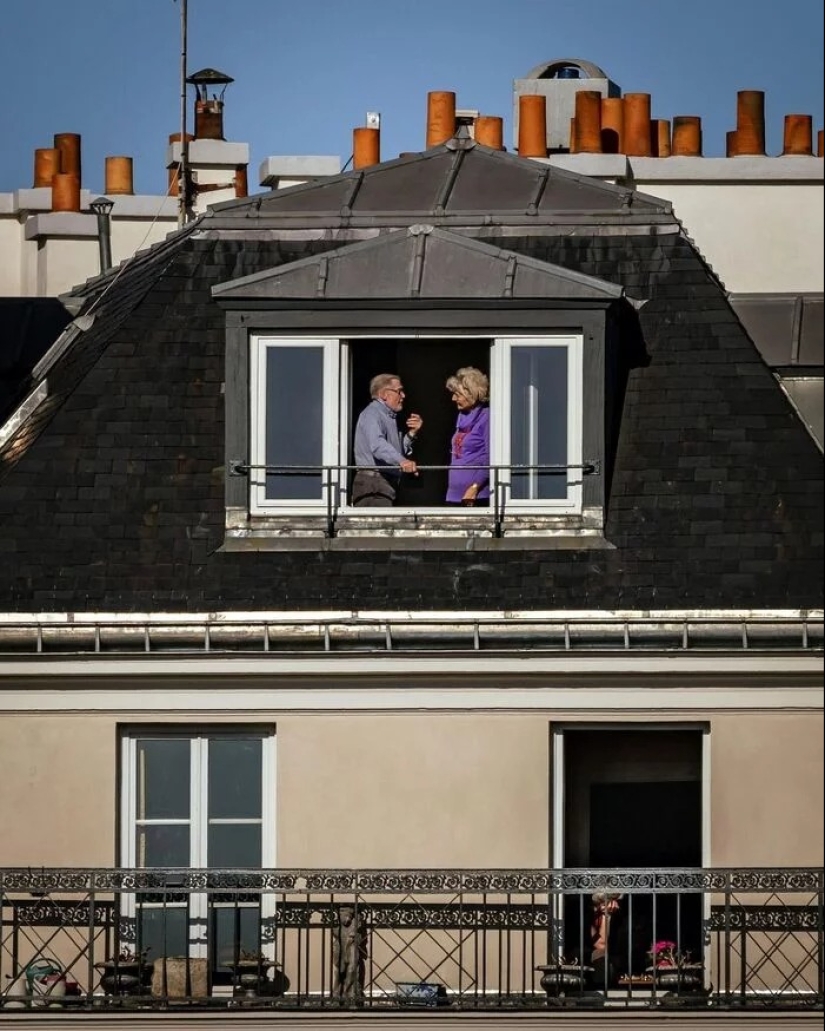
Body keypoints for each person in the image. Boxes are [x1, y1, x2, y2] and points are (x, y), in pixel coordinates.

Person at [352, 374, 423, 507]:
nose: (403, 396)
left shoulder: (388, 416)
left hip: (383, 484)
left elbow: (396, 450)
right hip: (374, 485)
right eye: (399, 391)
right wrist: (403, 461)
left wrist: (412, 434)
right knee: (378, 527)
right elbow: (378, 446)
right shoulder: (372, 414)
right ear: (384, 394)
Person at [445, 367, 490, 506]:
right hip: (453, 494)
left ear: (471, 394)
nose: (453, 398)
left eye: (457, 394)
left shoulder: (487, 417)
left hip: (475, 495)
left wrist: (474, 487)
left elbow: (490, 457)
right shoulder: (461, 416)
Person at [589, 890, 625, 990]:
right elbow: (601, 946)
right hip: (594, 973)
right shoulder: (593, 916)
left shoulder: (618, 917)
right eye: (614, 901)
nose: (617, 905)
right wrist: (606, 914)